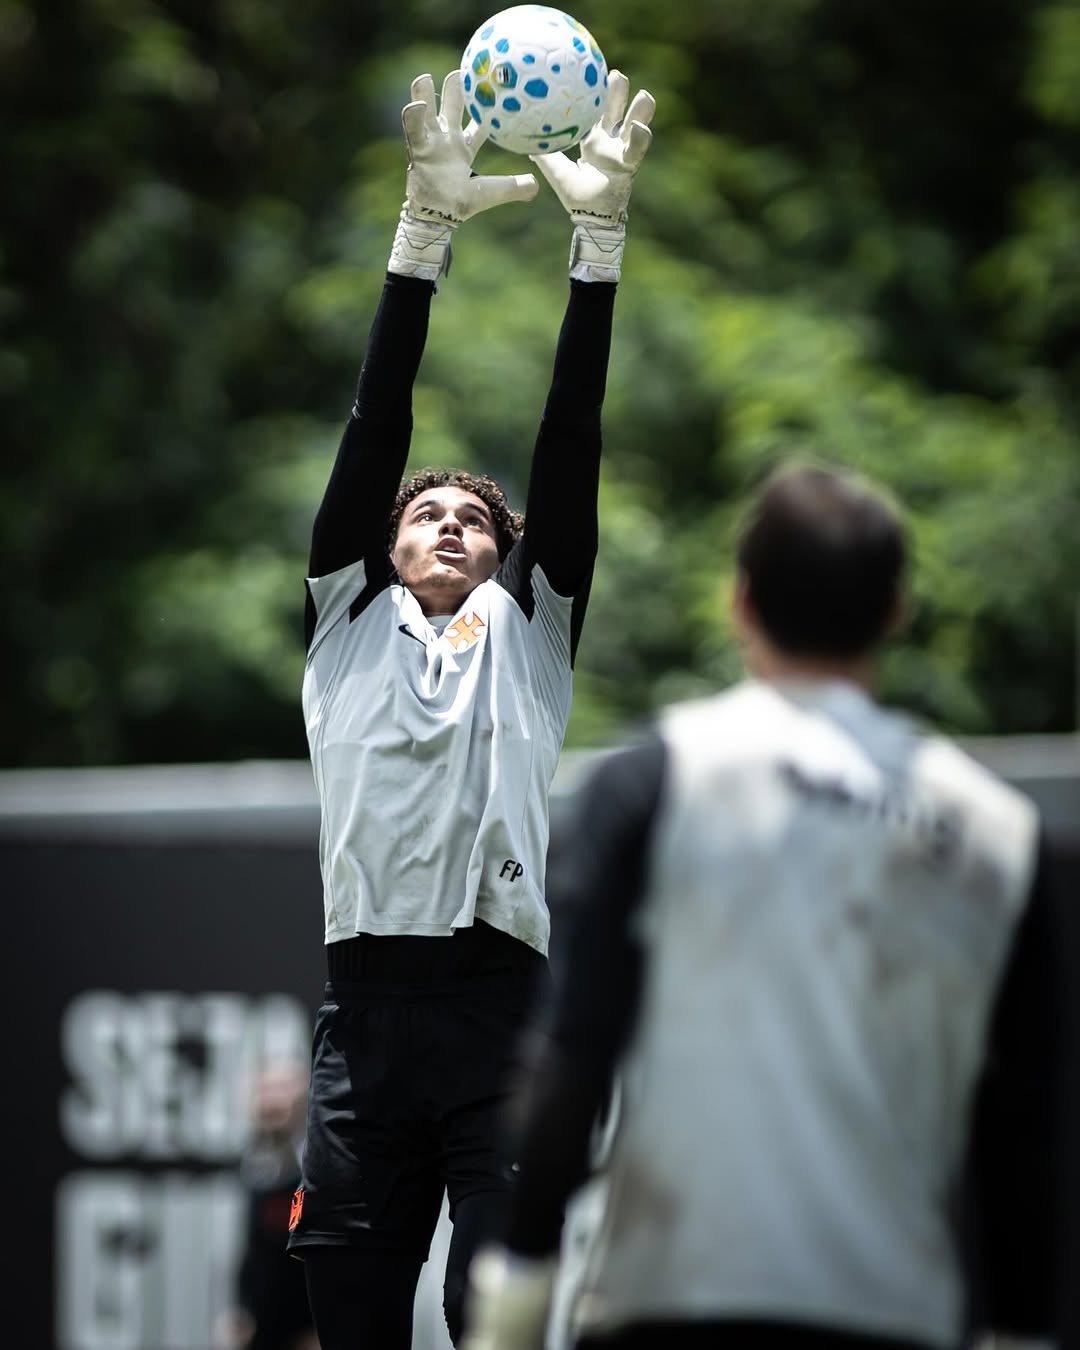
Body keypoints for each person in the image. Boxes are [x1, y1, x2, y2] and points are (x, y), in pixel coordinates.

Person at [462, 461, 1067, 1350]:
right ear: (896, 611)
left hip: (670, 1304)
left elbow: (573, 1059)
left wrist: (518, 1286)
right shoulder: (1000, 833)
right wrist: (1020, 1331)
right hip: (895, 1317)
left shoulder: (656, 782)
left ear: (739, 601)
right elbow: (1028, 1129)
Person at [284, 63, 656, 1350]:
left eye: (475, 521)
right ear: (385, 548)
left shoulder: (529, 628)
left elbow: (571, 437)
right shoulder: (345, 620)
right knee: (349, 1319)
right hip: (364, 1019)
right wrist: (419, 238)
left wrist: (596, 255)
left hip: (502, 1014)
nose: (449, 525)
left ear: (507, 555)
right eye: (424, 515)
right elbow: (374, 421)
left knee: (493, 1325)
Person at [214, 1061, 319, 1350]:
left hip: (303, 1329)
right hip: (256, 1328)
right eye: (264, 1090)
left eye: (281, 1089)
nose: (271, 1101)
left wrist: (319, 1328)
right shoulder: (250, 1169)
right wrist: (237, 1311)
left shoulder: (314, 1170)